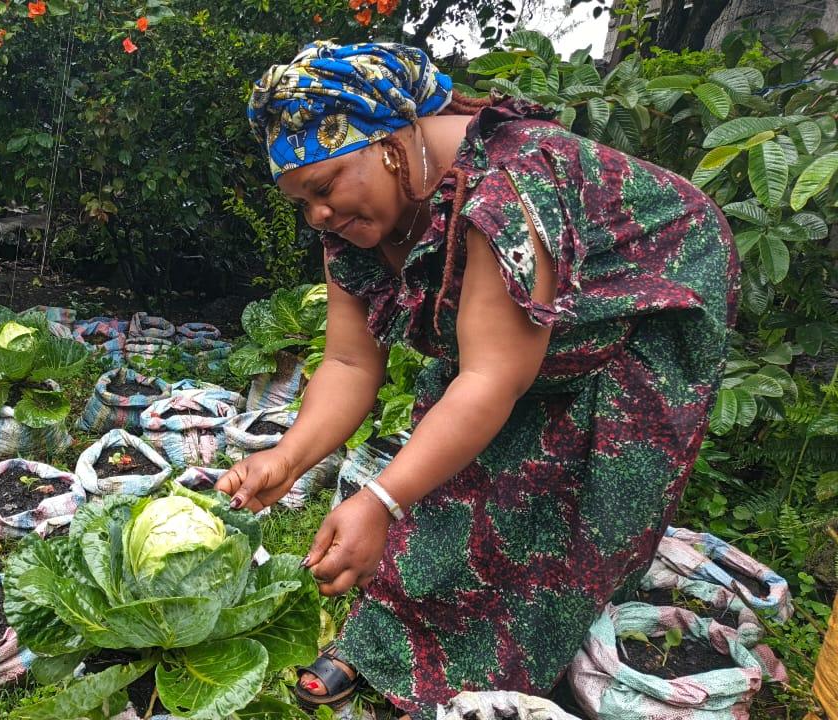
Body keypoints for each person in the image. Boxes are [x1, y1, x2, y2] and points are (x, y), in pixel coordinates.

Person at [219, 41, 739, 720]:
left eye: (325, 186)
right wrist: (287, 458)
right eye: (301, 200)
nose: (317, 213)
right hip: (515, 326)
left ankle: (512, 671)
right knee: (443, 471)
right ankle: (387, 647)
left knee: (579, 502)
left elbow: (491, 378)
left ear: (389, 143)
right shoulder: (353, 223)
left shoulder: (509, 185)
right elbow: (350, 363)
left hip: (649, 299)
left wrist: (379, 499)